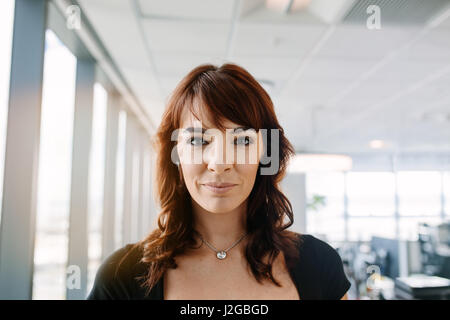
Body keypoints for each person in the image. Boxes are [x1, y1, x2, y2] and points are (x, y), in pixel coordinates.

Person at [87, 63, 350, 300]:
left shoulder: (319, 264)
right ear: (176, 153)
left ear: (265, 152)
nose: (219, 162)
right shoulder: (121, 276)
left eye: (242, 140)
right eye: (199, 140)